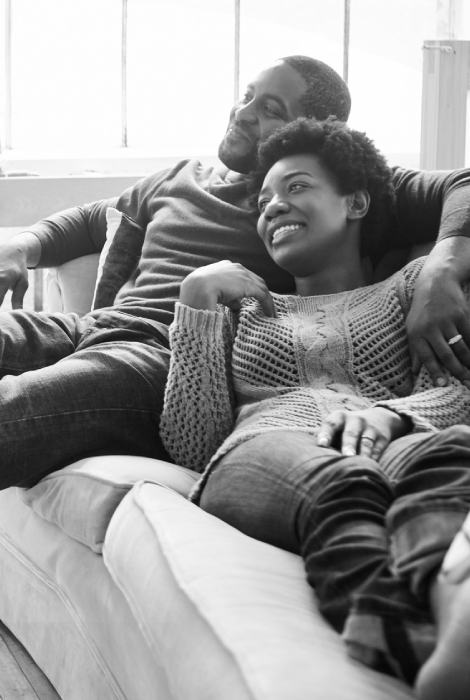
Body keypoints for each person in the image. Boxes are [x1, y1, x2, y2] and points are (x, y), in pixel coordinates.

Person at [0, 55, 468, 488]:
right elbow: (88, 221)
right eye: (247, 96)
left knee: (15, 413)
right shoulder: (178, 178)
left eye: (269, 108)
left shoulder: (321, 193)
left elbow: (461, 186)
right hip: (87, 328)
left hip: (163, 353)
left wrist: (441, 269)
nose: (244, 113)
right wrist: (21, 246)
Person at [159, 116, 470, 699]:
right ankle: (407, 636)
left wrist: (391, 414)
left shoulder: (409, 288)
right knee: (343, 479)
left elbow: (459, 391)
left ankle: (457, 616)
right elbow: (192, 443)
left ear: (354, 202)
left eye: (296, 187)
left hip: (392, 437)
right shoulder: (241, 310)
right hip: (266, 451)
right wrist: (195, 301)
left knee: (449, 454)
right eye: (264, 200)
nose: (273, 207)